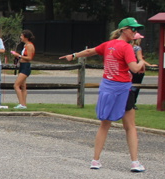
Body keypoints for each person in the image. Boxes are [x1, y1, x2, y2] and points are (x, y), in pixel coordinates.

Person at [60, 17, 146, 171]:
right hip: (123, 89)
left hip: (107, 88)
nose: (135, 32)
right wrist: (141, 61)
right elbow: (134, 68)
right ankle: (134, 162)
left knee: (104, 125)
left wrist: (73, 55)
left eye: (136, 29)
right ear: (124, 30)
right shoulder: (126, 47)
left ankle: (95, 160)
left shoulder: (108, 45)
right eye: (133, 29)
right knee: (130, 126)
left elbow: (90, 51)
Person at [10, 30, 35, 109]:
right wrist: (17, 57)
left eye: (21, 36)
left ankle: (21, 104)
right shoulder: (25, 45)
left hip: (25, 66)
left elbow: (29, 58)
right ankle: (24, 104)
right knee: (23, 86)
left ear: (25, 37)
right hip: (22, 65)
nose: (20, 37)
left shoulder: (29, 46)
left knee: (16, 85)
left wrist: (19, 55)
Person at [127, 32, 150, 109]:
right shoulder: (137, 48)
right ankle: (133, 103)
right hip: (138, 69)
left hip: (130, 68)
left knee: (130, 86)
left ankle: (128, 102)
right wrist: (149, 65)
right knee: (136, 86)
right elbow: (140, 59)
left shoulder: (128, 47)